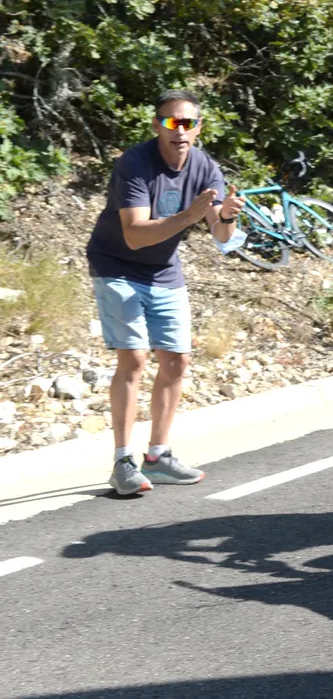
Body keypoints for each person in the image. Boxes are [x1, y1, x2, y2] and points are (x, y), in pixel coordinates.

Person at [86, 89, 246, 495]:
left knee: (176, 361)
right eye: (172, 122)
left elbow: (222, 237)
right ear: (157, 125)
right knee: (135, 358)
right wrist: (188, 216)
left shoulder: (207, 166)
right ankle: (123, 461)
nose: (180, 131)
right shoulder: (135, 164)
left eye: (188, 123)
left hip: (163, 270)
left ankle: (157, 456)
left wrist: (224, 216)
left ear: (198, 127)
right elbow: (135, 236)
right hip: (117, 263)